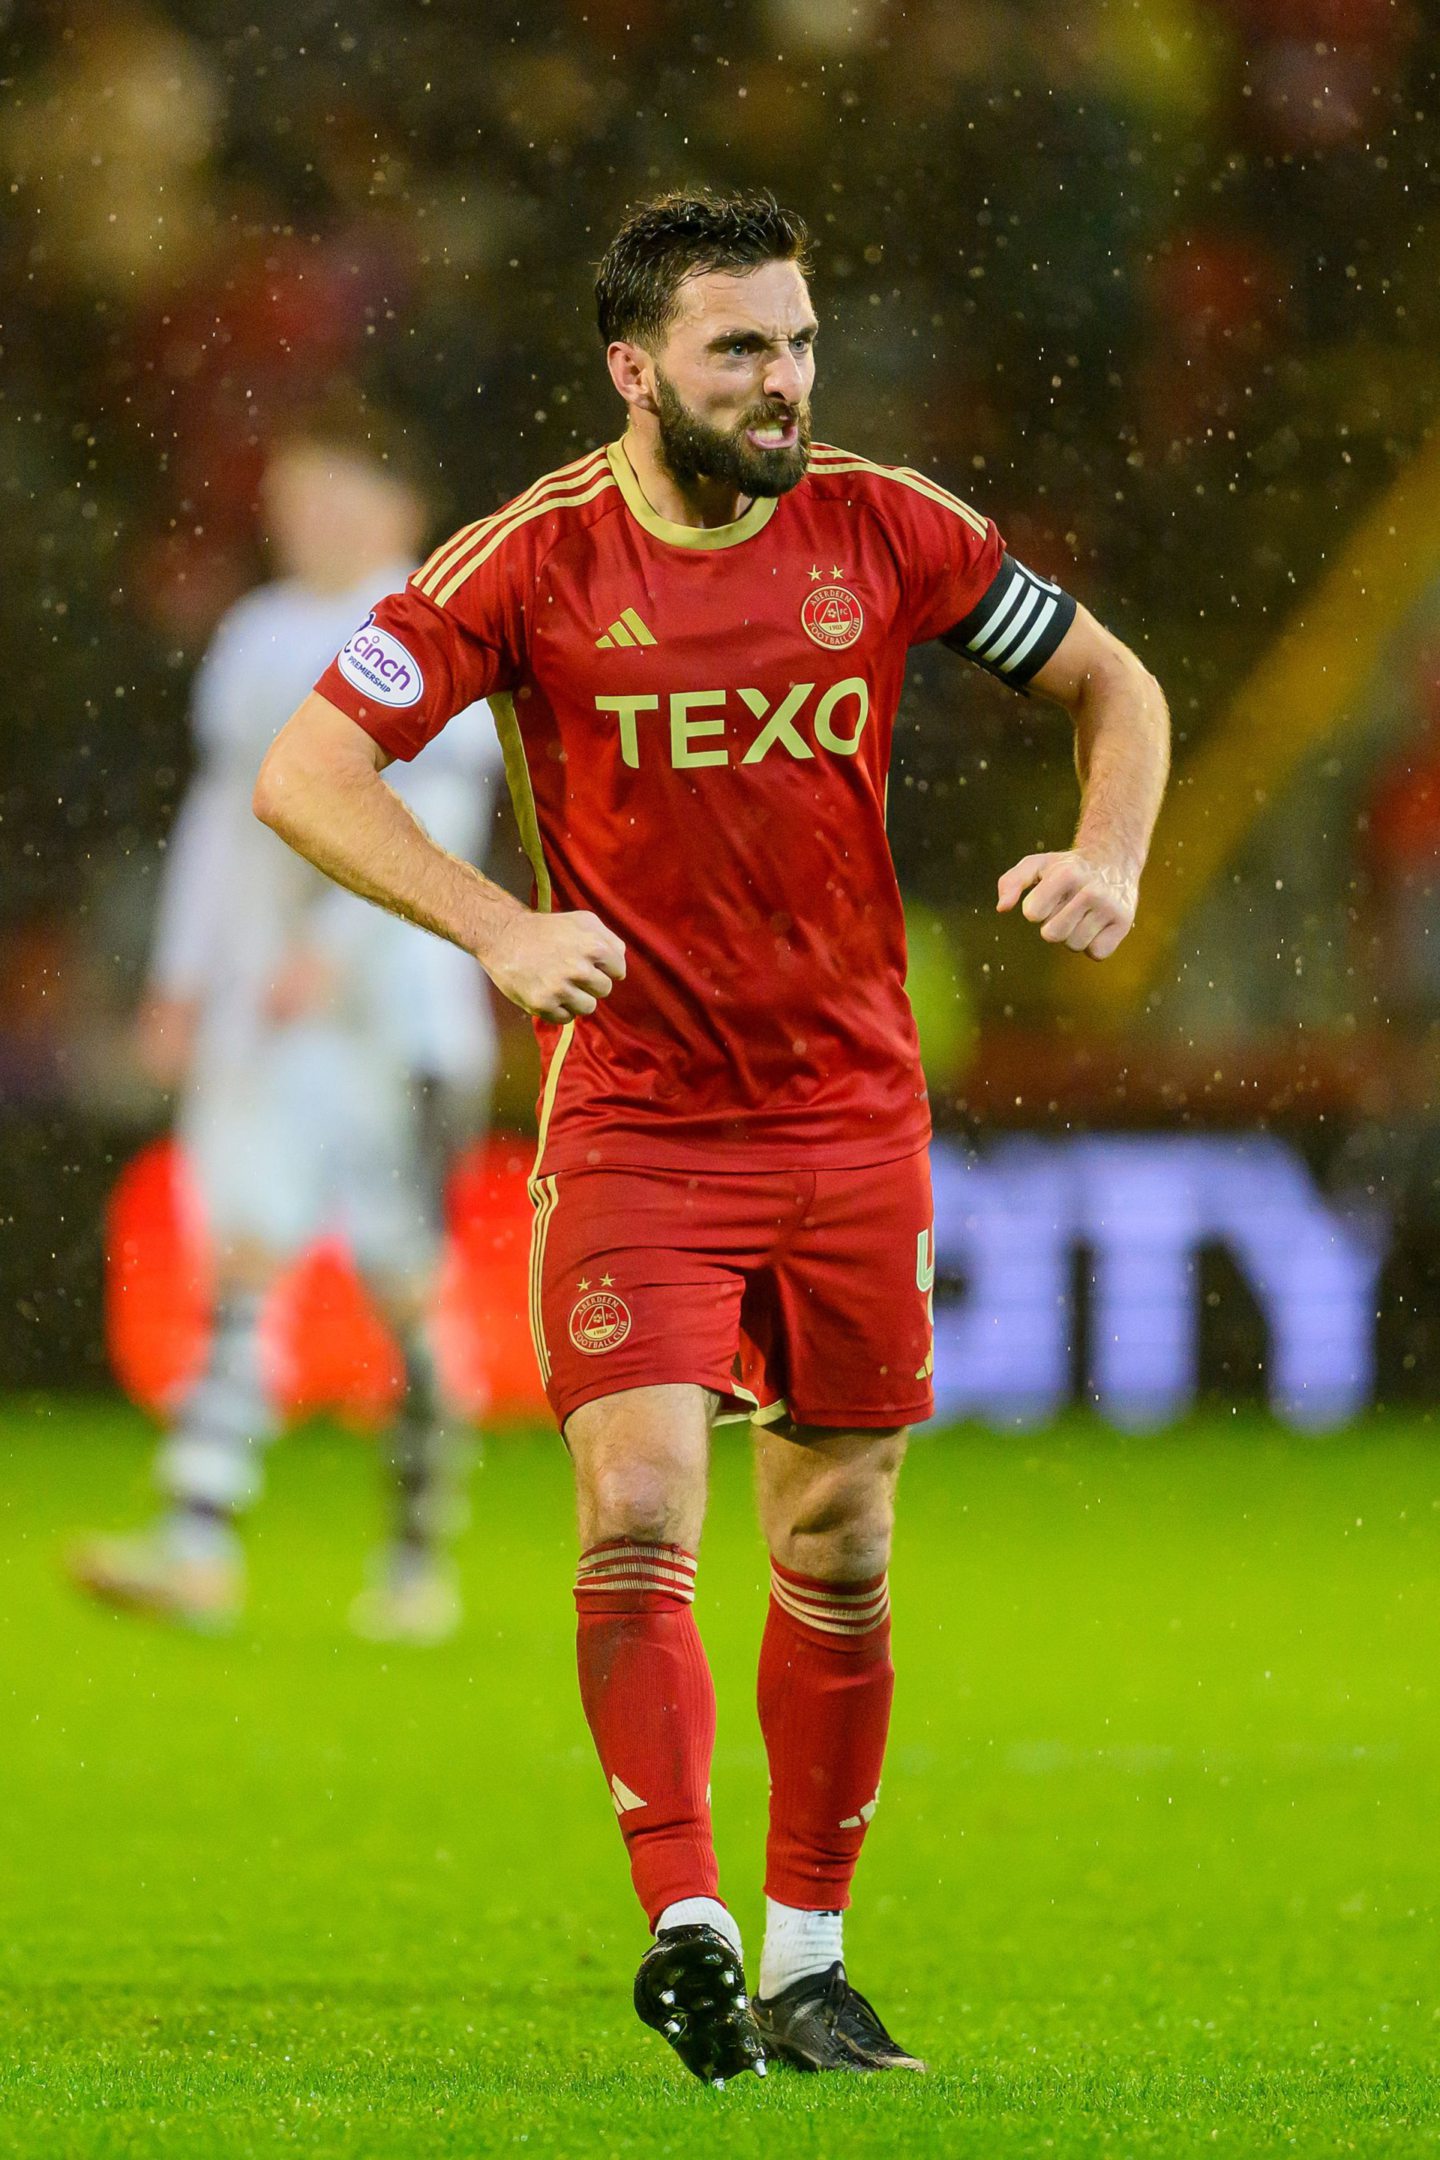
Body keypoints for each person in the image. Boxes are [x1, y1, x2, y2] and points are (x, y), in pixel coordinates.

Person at [251, 191, 1170, 2080]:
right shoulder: (526, 563)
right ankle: (687, 1920)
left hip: (849, 1110)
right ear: (636, 366)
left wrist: (1110, 855)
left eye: (803, 342)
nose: (787, 384)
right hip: (646, 1118)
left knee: (837, 1539)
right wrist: (499, 925)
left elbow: (1114, 682)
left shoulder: (885, 524)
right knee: (641, 1503)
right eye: (744, 349)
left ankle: (815, 1960)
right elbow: (306, 769)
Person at [69, 403, 503, 1643]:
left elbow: (436, 819)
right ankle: (198, 1536)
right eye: (294, 500)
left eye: (336, 498)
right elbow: (220, 818)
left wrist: (336, 947)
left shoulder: (432, 626)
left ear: (396, 512)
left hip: (401, 1018)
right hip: (267, 1018)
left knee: (404, 1283)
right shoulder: (257, 635)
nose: (309, 521)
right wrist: (181, 974)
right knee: (244, 1252)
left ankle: (419, 1552)